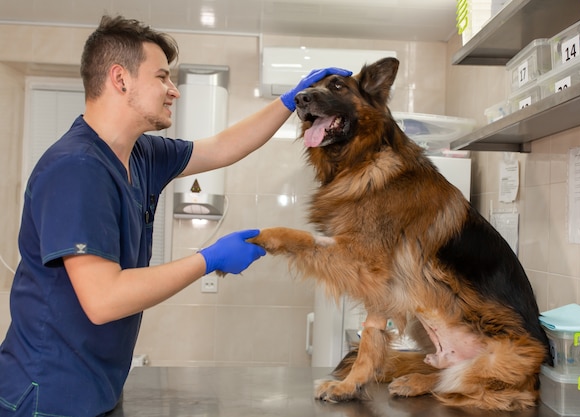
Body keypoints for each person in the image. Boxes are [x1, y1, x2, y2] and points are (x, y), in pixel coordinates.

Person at [0, 15, 351, 417]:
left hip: (95, 388)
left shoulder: (141, 153)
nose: (174, 91)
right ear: (120, 79)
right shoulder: (76, 168)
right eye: (163, 77)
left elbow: (221, 147)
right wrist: (208, 259)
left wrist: (289, 102)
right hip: (47, 395)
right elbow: (103, 299)